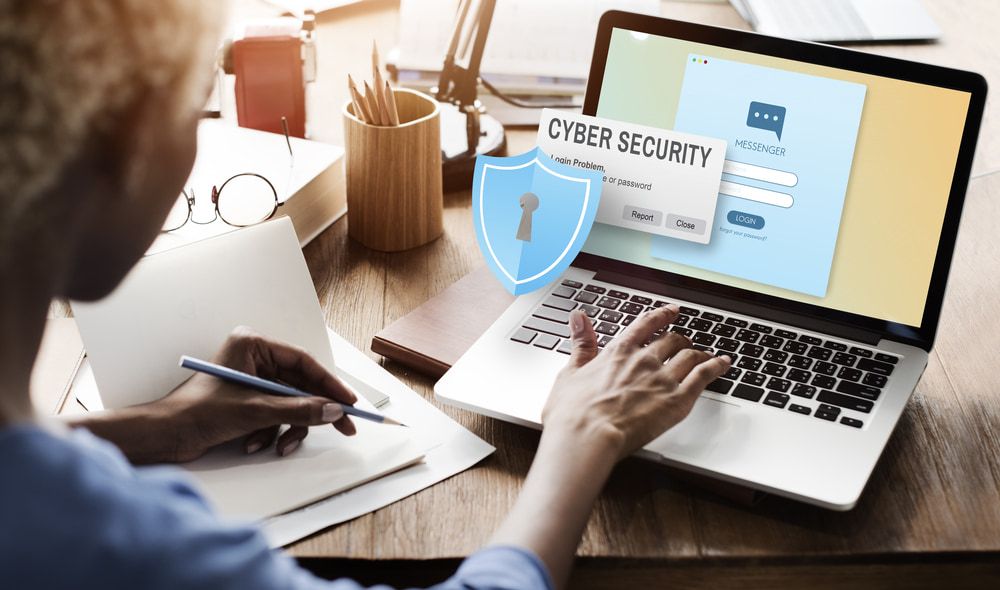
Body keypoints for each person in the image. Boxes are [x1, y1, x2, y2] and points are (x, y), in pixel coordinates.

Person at [0, 2, 729, 589]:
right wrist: (581, 437)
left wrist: (158, 425)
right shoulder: (127, 547)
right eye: (195, 110)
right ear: (118, 146)